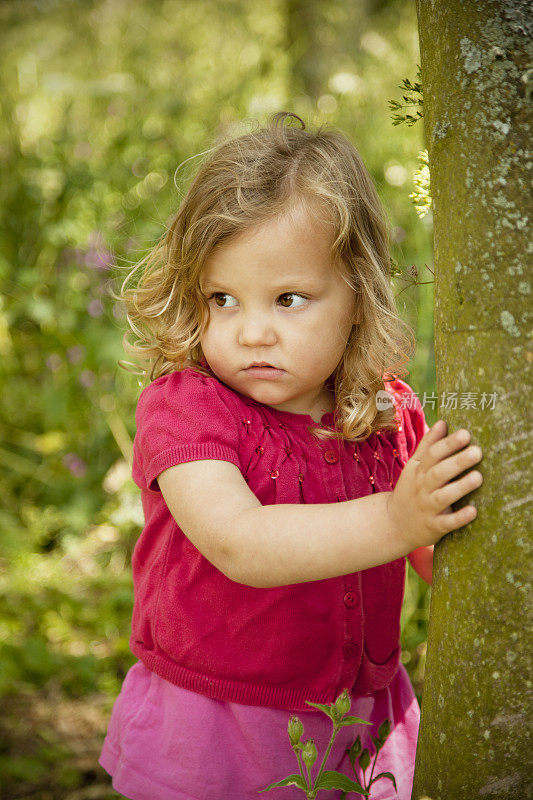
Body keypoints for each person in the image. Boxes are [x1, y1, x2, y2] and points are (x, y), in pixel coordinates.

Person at [99, 112, 483, 799]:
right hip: (214, 724)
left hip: (354, 720)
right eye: (222, 299)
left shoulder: (385, 413)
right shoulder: (187, 408)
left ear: (358, 299)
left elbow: (444, 554)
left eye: (288, 299)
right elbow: (239, 542)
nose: (251, 332)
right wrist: (399, 520)